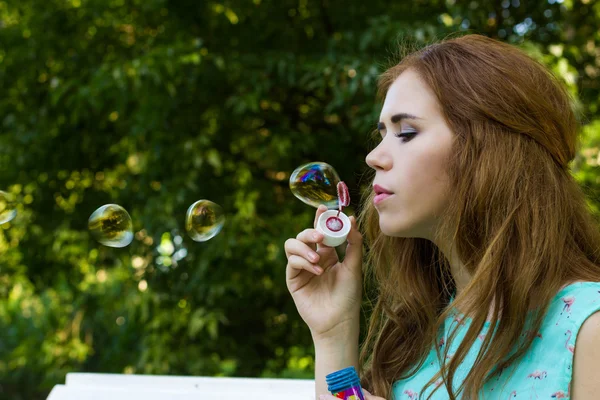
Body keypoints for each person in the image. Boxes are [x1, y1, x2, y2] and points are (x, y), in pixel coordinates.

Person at [284, 34, 600, 400]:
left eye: (406, 133)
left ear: (490, 151)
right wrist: (333, 334)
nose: (373, 157)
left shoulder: (587, 329)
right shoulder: (423, 328)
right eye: (381, 134)